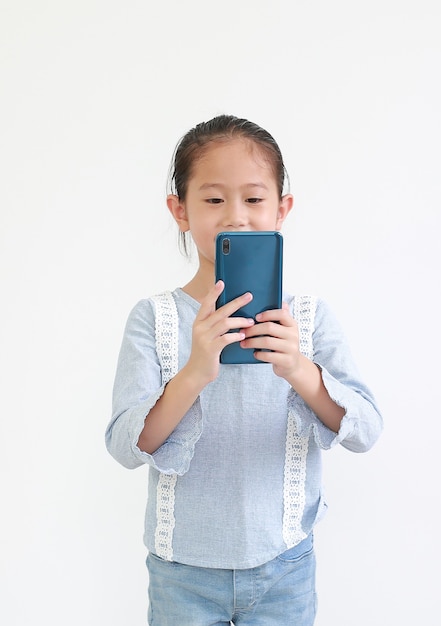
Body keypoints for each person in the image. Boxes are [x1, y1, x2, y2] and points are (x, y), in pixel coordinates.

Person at [105, 114, 383, 625]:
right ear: (179, 210)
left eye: (254, 199)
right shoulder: (154, 317)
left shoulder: (309, 317)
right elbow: (126, 445)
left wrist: (300, 369)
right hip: (181, 570)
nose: (235, 216)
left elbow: (366, 429)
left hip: (284, 564)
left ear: (282, 210)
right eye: (213, 200)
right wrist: (193, 372)